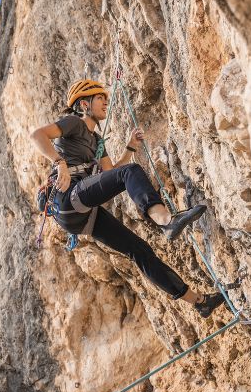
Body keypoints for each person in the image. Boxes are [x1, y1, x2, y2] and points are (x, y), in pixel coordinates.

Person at [29, 79, 225, 318]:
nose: (105, 102)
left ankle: (199, 301)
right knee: (129, 173)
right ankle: (165, 220)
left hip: (82, 215)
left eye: (105, 98)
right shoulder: (74, 123)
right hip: (68, 198)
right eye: (99, 98)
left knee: (138, 249)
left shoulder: (98, 142)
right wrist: (59, 163)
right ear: (84, 104)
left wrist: (130, 148)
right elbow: (37, 135)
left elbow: (110, 172)